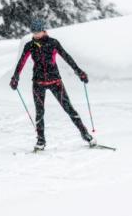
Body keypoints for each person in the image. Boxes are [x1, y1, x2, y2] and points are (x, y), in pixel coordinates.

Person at [9, 19, 93, 151]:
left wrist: (79, 72)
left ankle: (85, 134)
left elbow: (67, 57)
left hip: (55, 82)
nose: (36, 34)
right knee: (39, 113)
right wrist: (15, 77)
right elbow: (21, 62)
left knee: (69, 109)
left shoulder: (53, 43)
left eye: (38, 31)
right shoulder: (29, 46)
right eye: (34, 32)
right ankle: (41, 140)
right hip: (38, 83)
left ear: (44, 30)